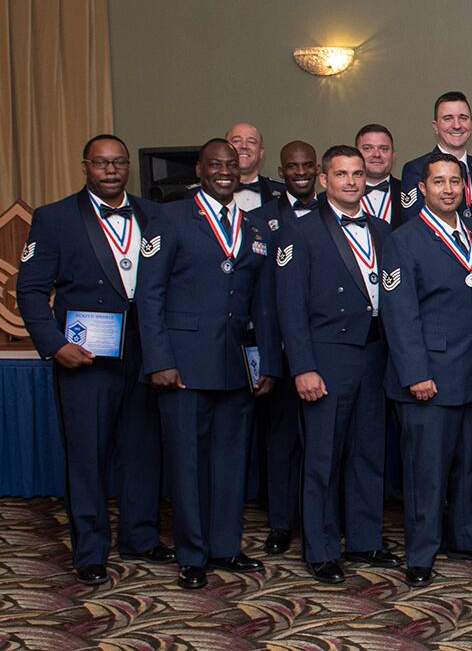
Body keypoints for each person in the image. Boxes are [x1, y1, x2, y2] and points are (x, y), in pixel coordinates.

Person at [16, 134, 172, 585]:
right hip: (83, 357)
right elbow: (29, 288)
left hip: (145, 355)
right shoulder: (55, 218)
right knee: (87, 455)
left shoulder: (154, 215)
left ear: (127, 167)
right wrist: (53, 343)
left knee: (142, 452)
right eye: (101, 163)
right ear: (85, 166)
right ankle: (89, 549)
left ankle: (140, 536)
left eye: (119, 163)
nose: (111, 170)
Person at [137, 138, 281, 590]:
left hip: (236, 366)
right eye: (214, 164)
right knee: (187, 463)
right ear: (199, 169)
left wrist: (266, 365)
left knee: (230, 461)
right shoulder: (170, 218)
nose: (224, 171)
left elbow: (263, 304)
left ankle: (226, 547)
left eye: (230, 164)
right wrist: (159, 359)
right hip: (183, 366)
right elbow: (150, 294)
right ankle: (192, 554)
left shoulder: (254, 227)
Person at [273, 145, 402, 583]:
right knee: (323, 456)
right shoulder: (299, 230)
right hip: (326, 358)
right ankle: (321, 548)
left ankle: (365, 540)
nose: (351, 181)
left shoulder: (384, 231)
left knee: (369, 452)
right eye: (342, 174)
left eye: (358, 174)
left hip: (374, 355)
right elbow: (289, 308)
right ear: (325, 180)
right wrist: (303, 367)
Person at [380, 153, 472, 588]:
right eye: (439, 182)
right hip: (428, 375)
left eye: (455, 182)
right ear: (423, 189)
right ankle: (421, 553)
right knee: (426, 473)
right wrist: (415, 372)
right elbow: (398, 312)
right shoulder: (403, 239)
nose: (448, 189)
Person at [246, 140, 320, 557]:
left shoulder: (335, 213)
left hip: (324, 347)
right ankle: (279, 522)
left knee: (323, 441)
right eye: (292, 166)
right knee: (281, 440)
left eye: (307, 164)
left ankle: (322, 519)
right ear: (281, 169)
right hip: (277, 346)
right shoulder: (259, 219)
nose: (300, 171)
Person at [397, 91, 472, 223]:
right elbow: (414, 225)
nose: (457, 125)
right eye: (448, 118)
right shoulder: (417, 169)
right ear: (435, 126)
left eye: (463, 118)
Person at [225, 123, 285, 211]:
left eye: (251, 142)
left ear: (261, 152)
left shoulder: (284, 193)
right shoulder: (207, 192)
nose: (244, 146)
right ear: (224, 149)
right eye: (236, 141)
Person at [356, 124, 399, 225]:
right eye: (367, 148)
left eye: (383, 149)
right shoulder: (333, 196)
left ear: (393, 155)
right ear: (356, 154)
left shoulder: (408, 191)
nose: (376, 154)